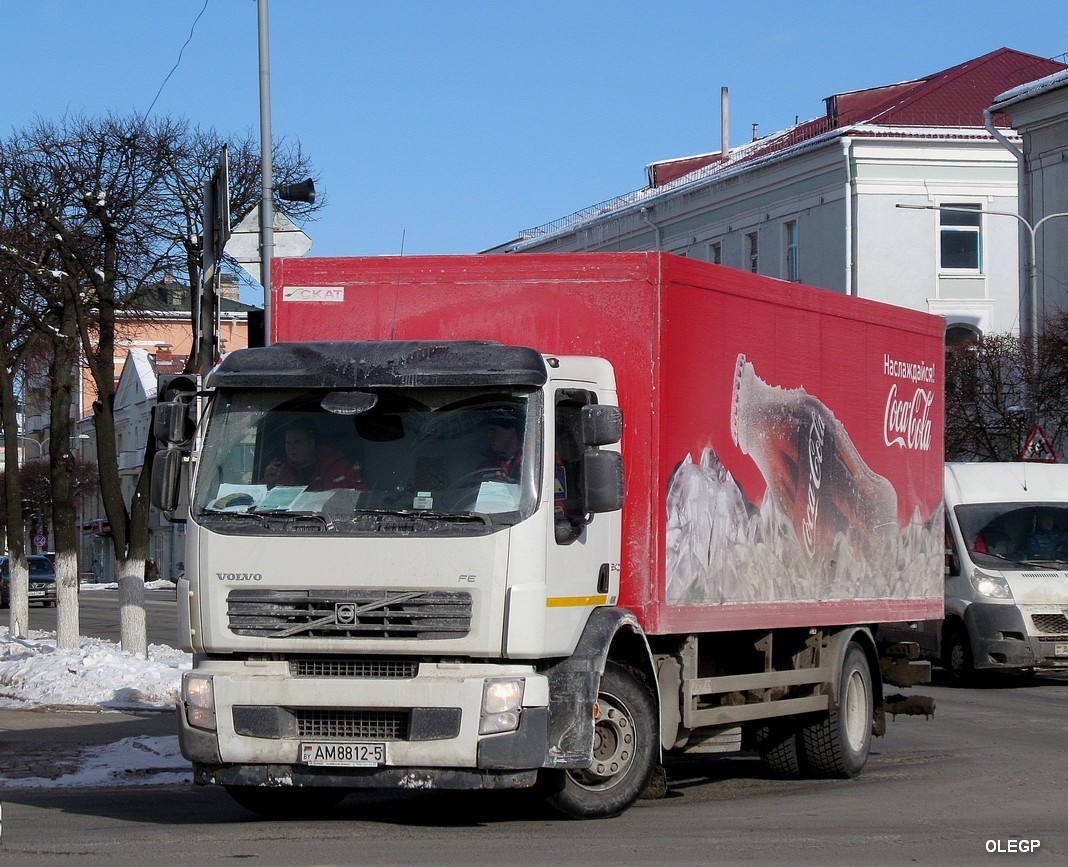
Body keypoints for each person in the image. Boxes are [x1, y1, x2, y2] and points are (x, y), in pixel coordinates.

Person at [263, 419, 359, 491]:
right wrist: (268, 484)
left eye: (297, 442)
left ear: (311, 444)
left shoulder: (339, 468)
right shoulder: (278, 473)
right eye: (288, 443)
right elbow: (253, 501)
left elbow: (360, 498)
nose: (292, 447)